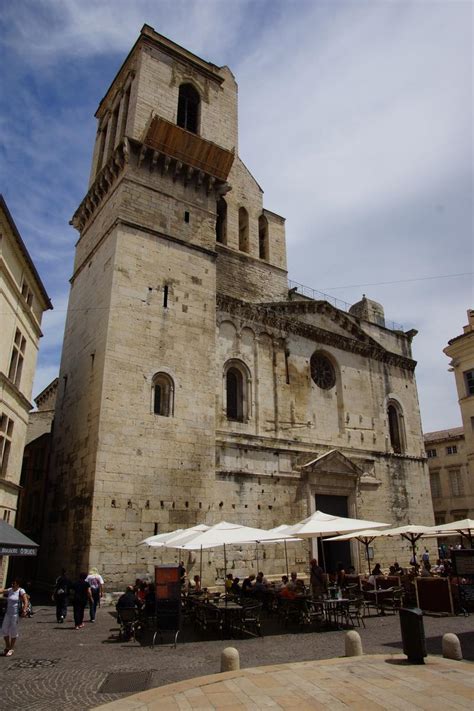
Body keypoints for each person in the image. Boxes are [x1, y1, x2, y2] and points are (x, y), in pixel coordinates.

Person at [0, 578, 27, 656]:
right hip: (8, 614)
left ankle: (11, 648)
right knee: (4, 630)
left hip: (15, 615)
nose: (12, 585)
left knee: (13, 631)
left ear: (18, 585)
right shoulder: (10, 590)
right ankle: (7, 646)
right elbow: (2, 591)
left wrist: (24, 610)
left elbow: (25, 600)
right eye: (12, 583)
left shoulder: (21, 591)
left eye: (14, 583)